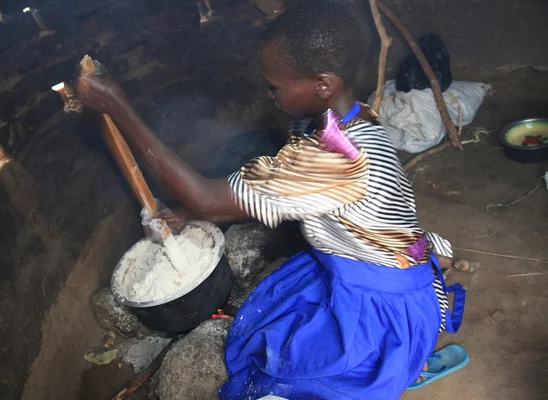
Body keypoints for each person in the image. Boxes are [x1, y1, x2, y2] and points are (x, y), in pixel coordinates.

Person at [76, 1, 466, 398]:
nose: (268, 92)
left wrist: (119, 108)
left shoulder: (338, 157)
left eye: (275, 86)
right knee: (277, 314)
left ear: (322, 84)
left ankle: (389, 354)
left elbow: (209, 198)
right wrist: (189, 210)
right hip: (371, 262)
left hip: (381, 299)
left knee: (295, 375)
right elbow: (237, 199)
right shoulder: (344, 118)